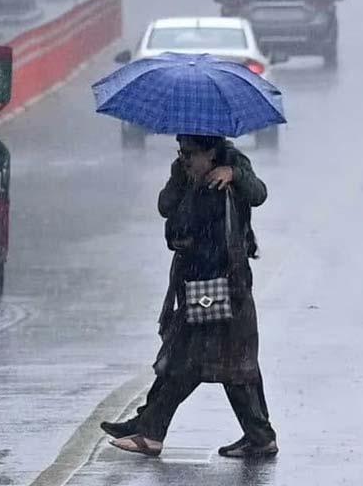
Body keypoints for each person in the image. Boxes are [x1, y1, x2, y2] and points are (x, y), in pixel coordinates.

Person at [101, 134, 277, 458]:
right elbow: (166, 207)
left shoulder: (233, 164)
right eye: (180, 151)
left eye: (190, 153)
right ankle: (259, 435)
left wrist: (234, 174)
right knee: (230, 363)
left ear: (211, 152)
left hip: (226, 282)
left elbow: (259, 193)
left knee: (192, 360)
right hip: (195, 280)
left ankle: (151, 430)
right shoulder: (183, 171)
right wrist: (182, 177)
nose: (184, 157)